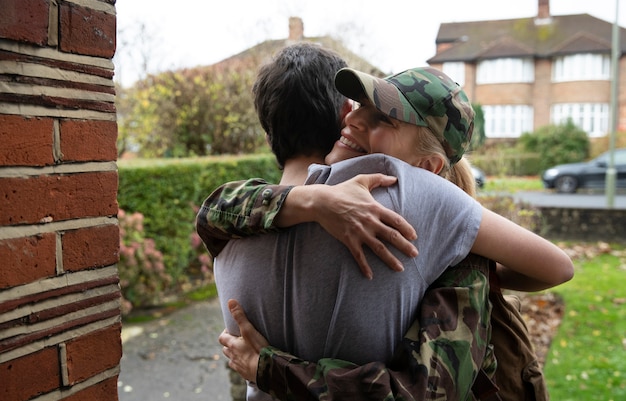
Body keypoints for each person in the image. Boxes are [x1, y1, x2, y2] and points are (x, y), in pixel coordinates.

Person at [197, 48, 573, 400]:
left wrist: (478, 263)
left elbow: (423, 391)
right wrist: (314, 200)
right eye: (360, 106)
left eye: (382, 119)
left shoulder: (440, 223)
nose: (352, 118)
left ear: (428, 168)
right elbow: (212, 213)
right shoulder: (307, 196)